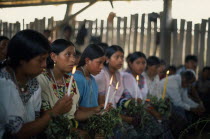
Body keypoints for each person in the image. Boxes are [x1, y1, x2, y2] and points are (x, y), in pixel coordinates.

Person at [0, 30, 72, 139]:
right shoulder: (4, 82)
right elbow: (18, 132)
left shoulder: (33, 82)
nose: (44, 65)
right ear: (22, 59)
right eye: (40, 60)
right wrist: (55, 111)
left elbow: (36, 120)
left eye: (45, 59)